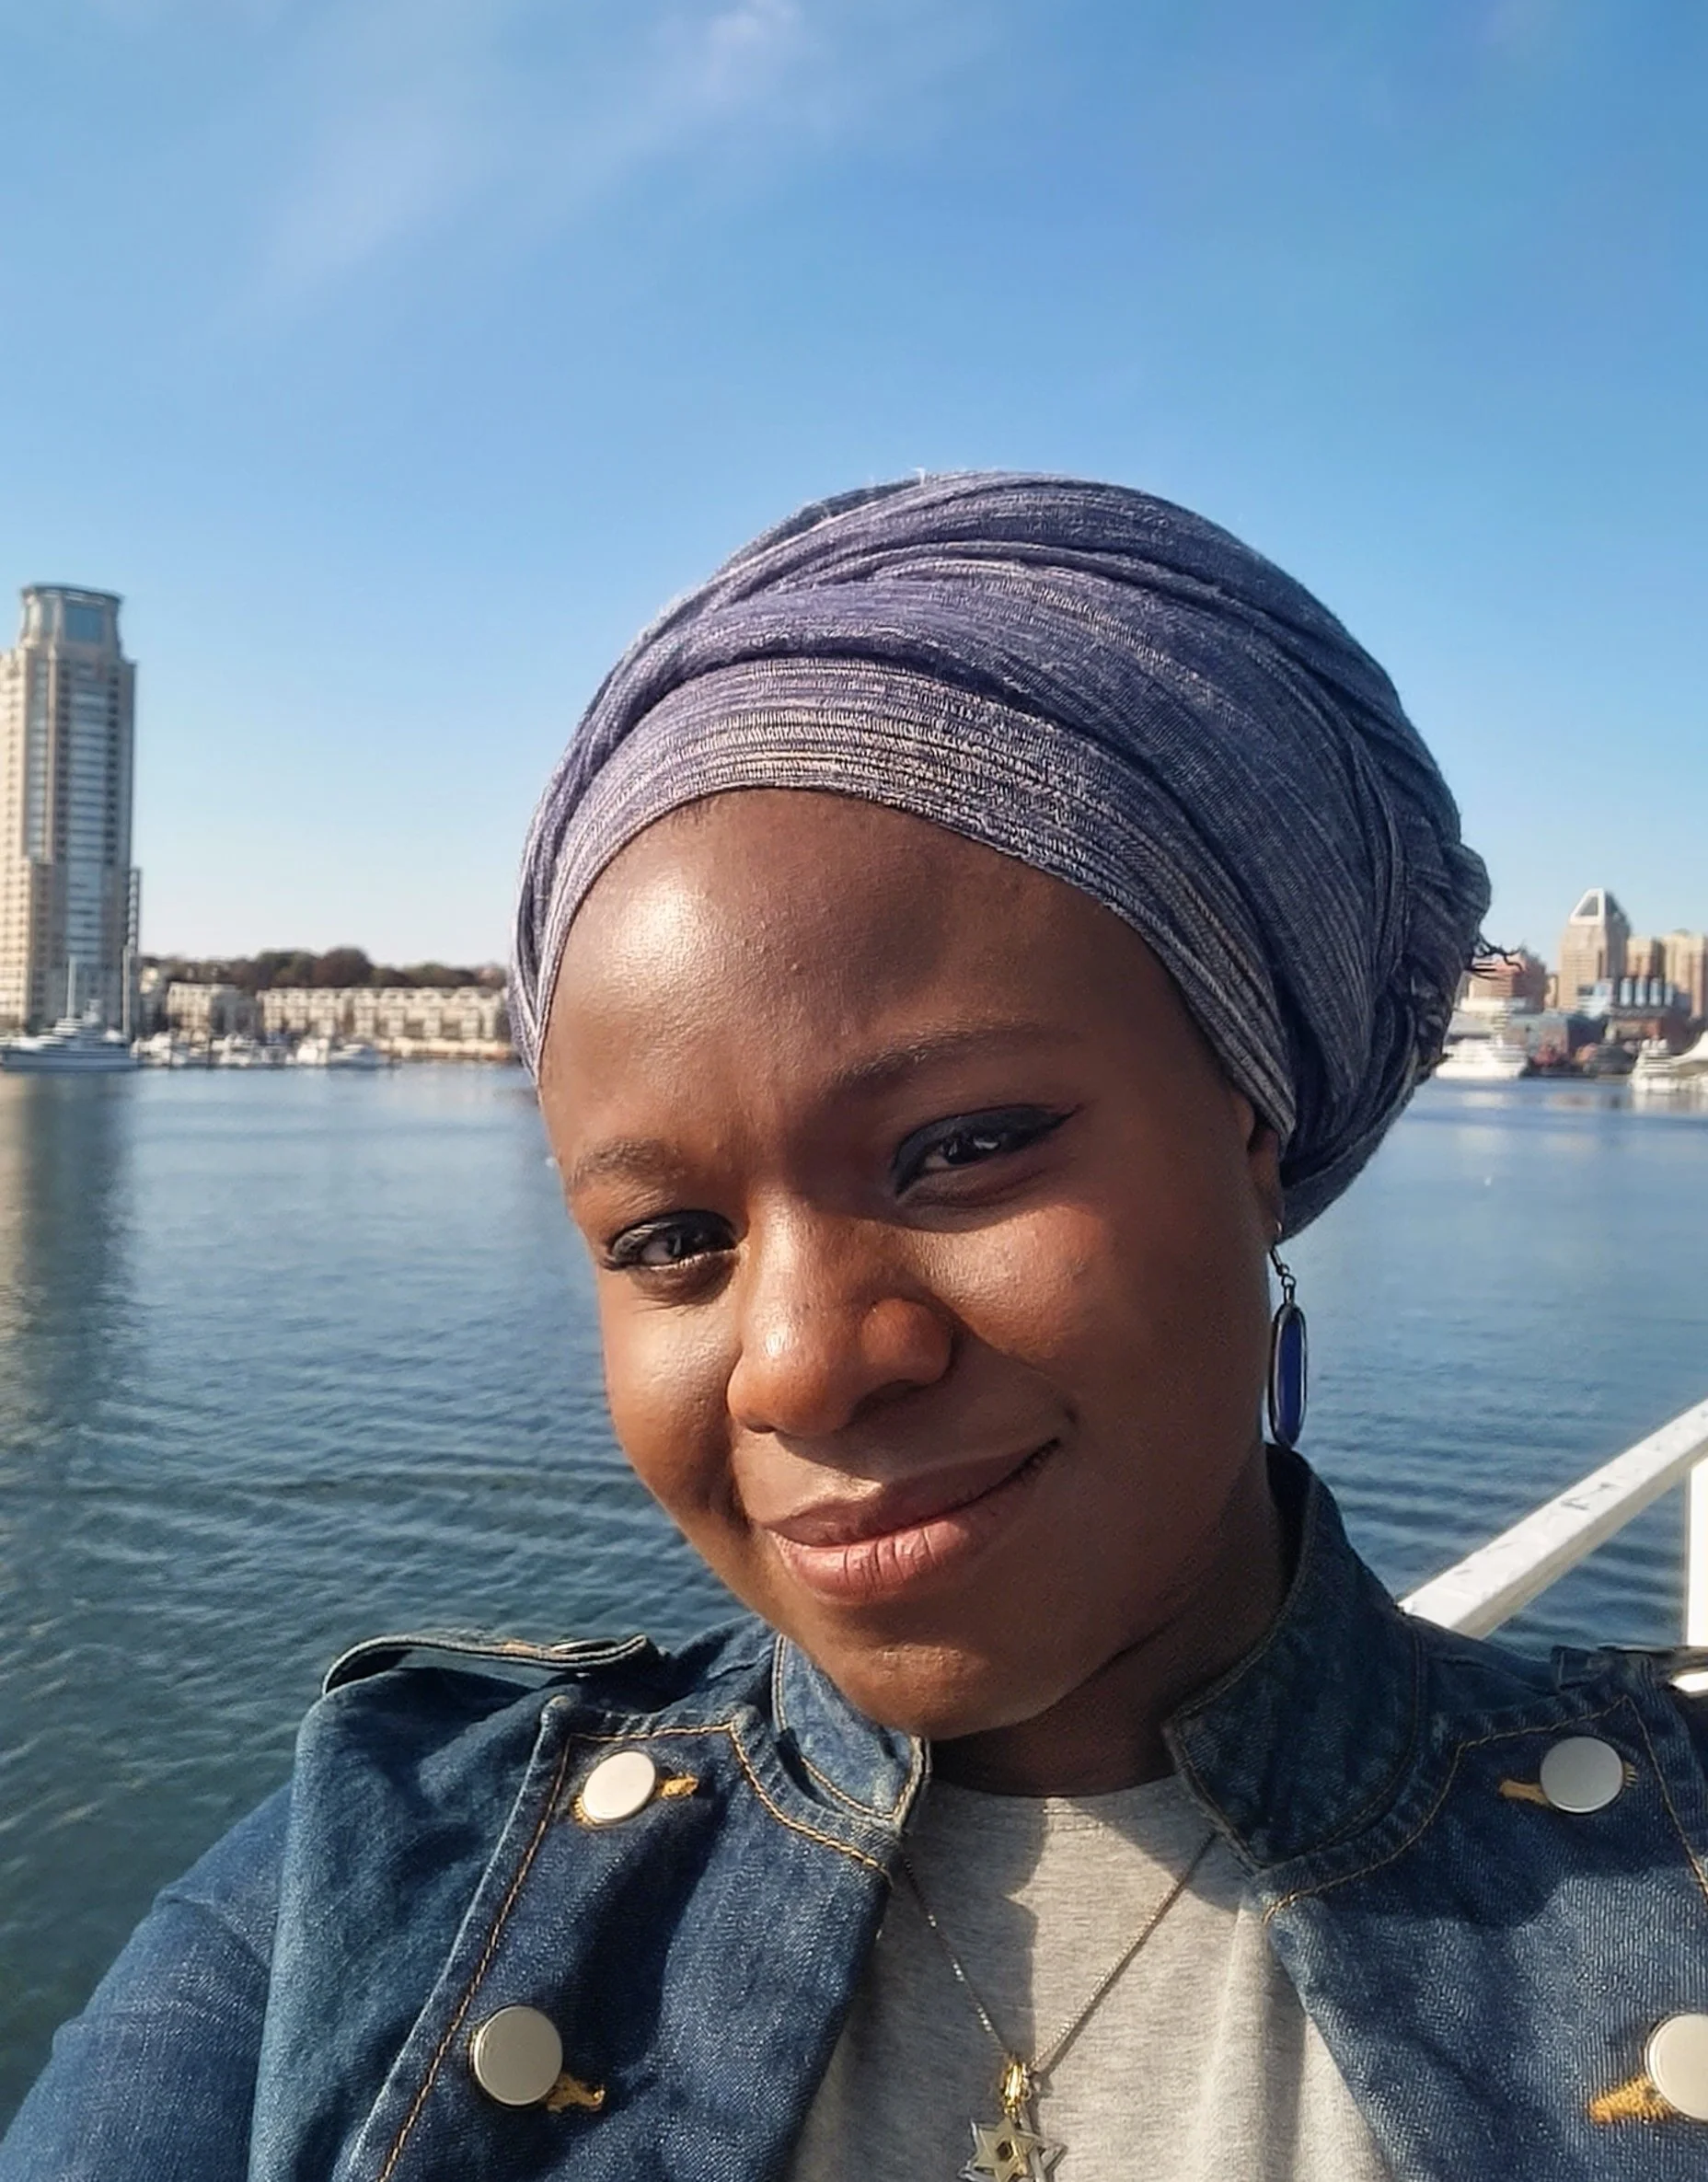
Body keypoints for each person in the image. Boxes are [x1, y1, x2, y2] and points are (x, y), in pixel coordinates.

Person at [5, 473, 1708, 2182]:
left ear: (1252, 1126)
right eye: (670, 1238)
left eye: (963, 1148)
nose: (803, 1361)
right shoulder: (359, 1908)